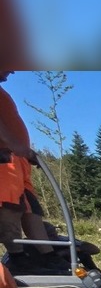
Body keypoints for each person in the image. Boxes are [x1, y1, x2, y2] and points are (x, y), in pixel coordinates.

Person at [0, 72, 59, 273]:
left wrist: (24, 151)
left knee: (31, 210)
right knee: (9, 208)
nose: (12, 70)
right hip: (4, 159)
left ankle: (48, 255)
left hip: (18, 160)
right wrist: (14, 143)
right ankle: (17, 257)